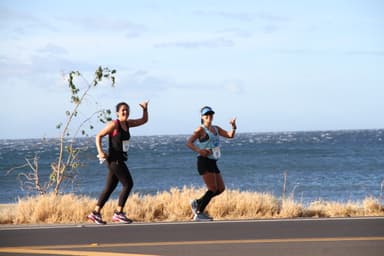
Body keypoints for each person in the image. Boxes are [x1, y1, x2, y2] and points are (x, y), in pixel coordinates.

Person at [87, 101, 149, 224]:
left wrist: (145, 109)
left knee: (110, 188)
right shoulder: (114, 125)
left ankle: (95, 213)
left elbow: (143, 121)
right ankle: (118, 213)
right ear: (117, 113)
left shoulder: (128, 123)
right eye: (123, 110)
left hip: (119, 160)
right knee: (128, 184)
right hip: (114, 161)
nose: (125, 112)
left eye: (127, 110)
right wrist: (100, 152)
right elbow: (99, 136)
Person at [186, 106, 237, 221]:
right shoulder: (200, 130)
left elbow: (230, 135)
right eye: (206, 114)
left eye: (211, 114)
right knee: (213, 188)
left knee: (220, 188)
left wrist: (233, 126)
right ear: (202, 117)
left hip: (213, 162)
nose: (209, 116)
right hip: (203, 161)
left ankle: (197, 202)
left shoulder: (216, 129)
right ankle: (199, 213)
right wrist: (199, 150)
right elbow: (189, 143)